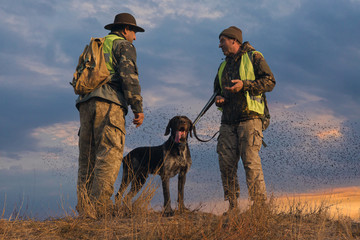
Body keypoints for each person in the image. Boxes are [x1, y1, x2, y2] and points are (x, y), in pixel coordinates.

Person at [75, 13, 145, 218]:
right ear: (125, 30)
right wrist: (137, 107)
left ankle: (85, 209)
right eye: (133, 32)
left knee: (86, 160)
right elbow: (128, 76)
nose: (134, 37)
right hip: (110, 103)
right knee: (109, 155)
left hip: (86, 104)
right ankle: (100, 209)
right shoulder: (124, 45)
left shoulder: (95, 45)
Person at [213, 26, 276, 212]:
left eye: (222, 40)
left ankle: (259, 208)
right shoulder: (222, 65)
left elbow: (270, 82)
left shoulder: (254, 56)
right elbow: (217, 91)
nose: (219, 45)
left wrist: (245, 85)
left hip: (250, 119)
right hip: (227, 121)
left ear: (234, 40)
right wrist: (219, 99)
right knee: (225, 164)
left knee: (250, 162)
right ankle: (233, 207)